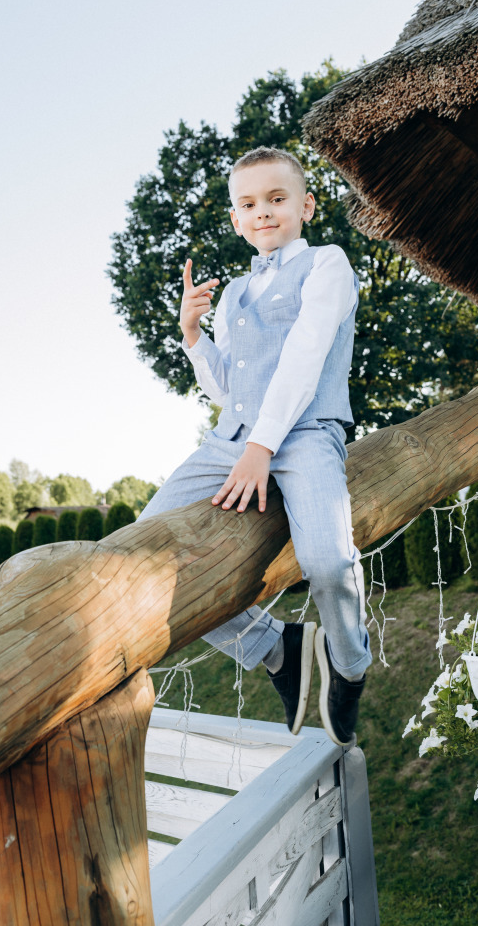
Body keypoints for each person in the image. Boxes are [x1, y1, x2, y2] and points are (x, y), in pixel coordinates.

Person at [139, 145, 370, 744]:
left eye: (276, 198)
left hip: (304, 435)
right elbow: (225, 387)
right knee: (141, 548)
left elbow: (304, 355)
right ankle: (277, 646)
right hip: (230, 442)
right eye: (249, 204)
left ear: (306, 206)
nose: (263, 212)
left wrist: (262, 449)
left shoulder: (328, 264)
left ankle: (349, 667)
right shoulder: (234, 292)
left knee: (327, 560)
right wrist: (191, 334)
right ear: (237, 220)